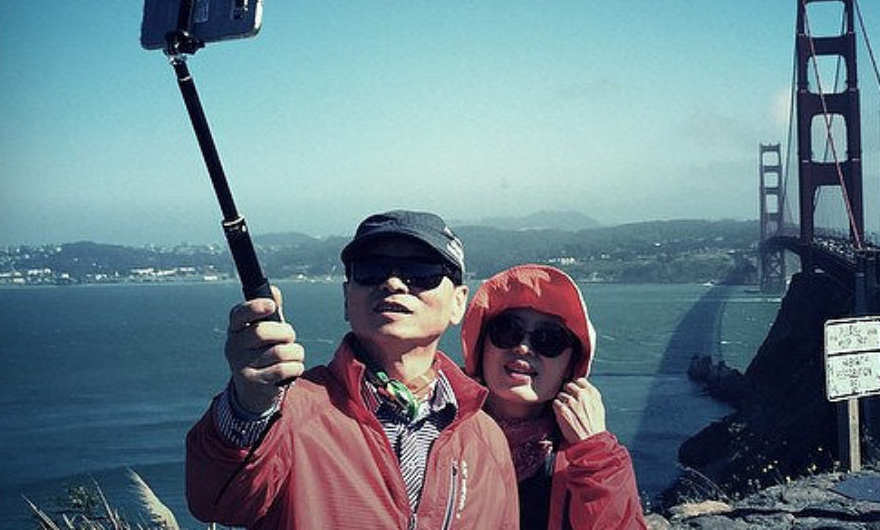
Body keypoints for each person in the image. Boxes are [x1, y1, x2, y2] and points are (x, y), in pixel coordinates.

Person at [186, 210, 519, 529]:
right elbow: (219, 501)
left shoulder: (486, 438)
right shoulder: (287, 411)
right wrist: (250, 401)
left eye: (421, 272)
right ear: (347, 298)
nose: (393, 283)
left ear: (459, 302)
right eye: (371, 269)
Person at [460, 263, 646, 530]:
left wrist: (594, 452)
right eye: (507, 330)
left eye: (549, 339)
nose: (523, 347)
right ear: (481, 345)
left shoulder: (590, 457)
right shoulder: (438, 429)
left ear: (571, 366)